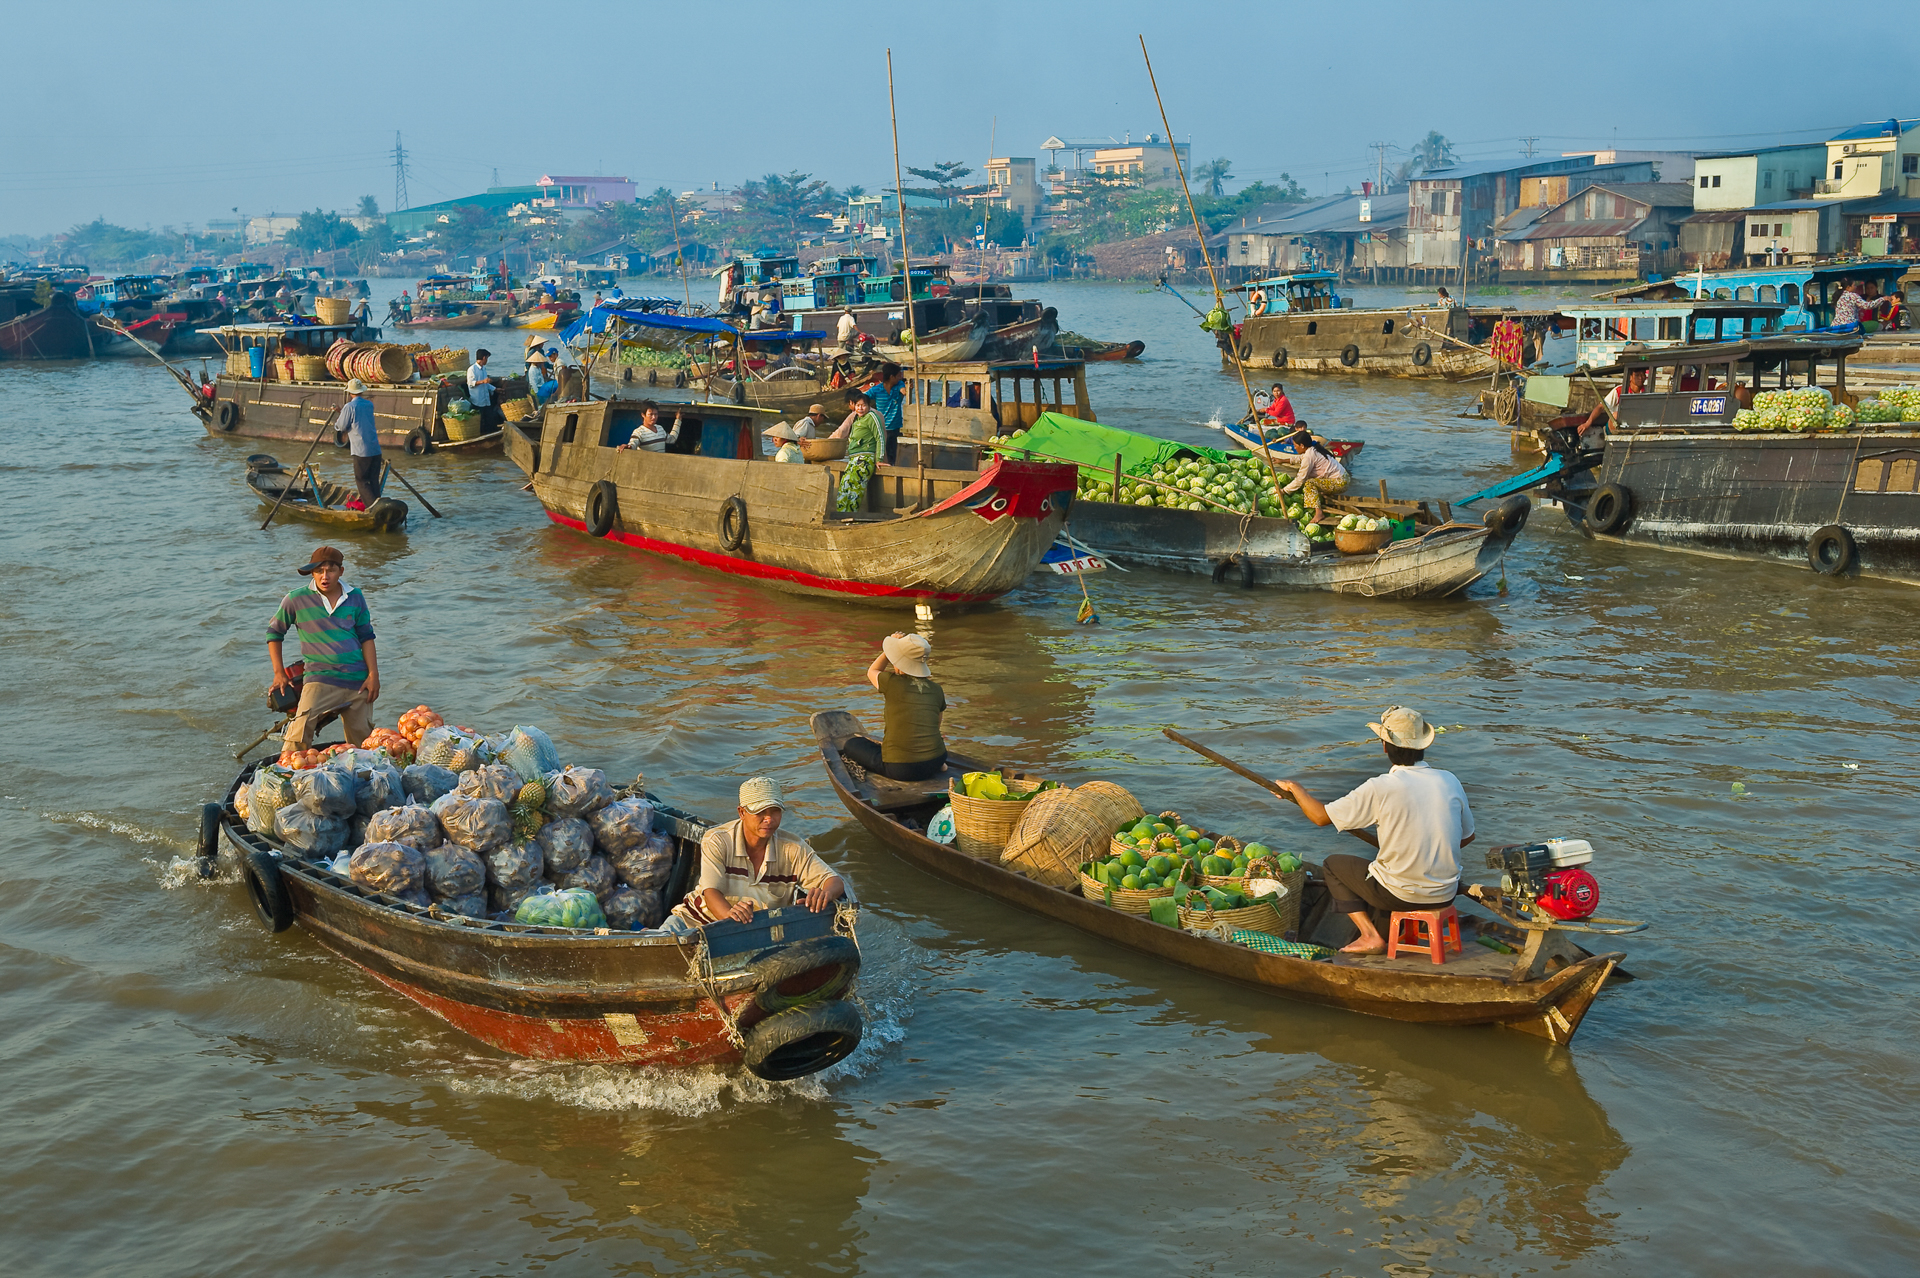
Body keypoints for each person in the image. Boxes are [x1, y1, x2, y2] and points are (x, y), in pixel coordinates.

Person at [1270, 706, 1474, 956]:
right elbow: (1467, 836)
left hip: (1400, 895)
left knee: (1333, 865)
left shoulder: (1381, 787)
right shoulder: (1449, 780)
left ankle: (1370, 935)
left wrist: (1296, 789)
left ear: (1385, 746)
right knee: (1380, 870)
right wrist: (1426, 848)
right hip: (1446, 894)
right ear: (1423, 746)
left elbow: (1321, 817)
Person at [674, 777, 847, 926]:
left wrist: (824, 894)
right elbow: (711, 893)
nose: (769, 819)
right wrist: (730, 916)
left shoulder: (793, 848)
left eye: (775, 811)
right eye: (760, 812)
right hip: (696, 921)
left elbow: (834, 881)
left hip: (757, 930)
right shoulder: (718, 840)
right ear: (742, 813)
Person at [267, 545, 381, 752]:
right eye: (319, 571)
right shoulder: (295, 599)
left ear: (341, 572)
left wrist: (373, 675)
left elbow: (366, 637)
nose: (325, 576)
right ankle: (288, 776)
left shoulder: (355, 597)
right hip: (319, 678)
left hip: (358, 681)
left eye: (331, 570)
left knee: (363, 746)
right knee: (297, 737)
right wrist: (278, 673)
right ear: (312, 573)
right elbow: (274, 634)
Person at [839, 632, 948, 781]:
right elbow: (937, 723)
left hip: (902, 769)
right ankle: (939, 766)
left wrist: (886, 653)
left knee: (852, 744)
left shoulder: (892, 682)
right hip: (937, 759)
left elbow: (872, 671)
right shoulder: (936, 689)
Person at [332, 378, 384, 507]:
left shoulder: (349, 406)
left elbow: (342, 426)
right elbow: (358, 418)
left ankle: (373, 509)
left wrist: (337, 423)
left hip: (361, 451)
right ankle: (379, 505)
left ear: (350, 393)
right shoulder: (369, 404)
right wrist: (341, 411)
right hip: (375, 449)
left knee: (362, 481)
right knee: (373, 481)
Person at [1279, 427, 1349, 520]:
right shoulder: (1313, 449)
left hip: (1340, 482)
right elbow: (1301, 458)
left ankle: (1318, 513)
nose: (1295, 447)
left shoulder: (1309, 455)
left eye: (1296, 445)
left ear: (1302, 446)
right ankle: (1322, 499)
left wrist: (1284, 491)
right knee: (1311, 479)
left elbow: (1300, 479)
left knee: (1309, 483)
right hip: (1344, 478)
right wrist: (1283, 460)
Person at [831, 390, 883, 512]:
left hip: (864, 459)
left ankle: (850, 517)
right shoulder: (856, 418)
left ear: (868, 406)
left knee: (855, 490)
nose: (860, 408)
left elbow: (880, 437)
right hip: (854, 459)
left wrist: (879, 459)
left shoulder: (872, 417)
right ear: (854, 405)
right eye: (858, 405)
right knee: (844, 486)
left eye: (863, 405)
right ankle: (841, 515)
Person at [1576, 366, 1647, 445]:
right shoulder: (1619, 390)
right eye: (1637, 375)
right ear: (1630, 377)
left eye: (1643, 374)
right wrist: (1588, 423)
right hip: (1615, 427)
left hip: (1636, 426)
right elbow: (1601, 407)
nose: (1641, 377)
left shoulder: (1647, 392)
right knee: (1616, 415)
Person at [868, 361, 906, 463]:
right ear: (891, 377)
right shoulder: (876, 390)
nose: (900, 378)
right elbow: (864, 398)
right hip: (882, 427)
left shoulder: (898, 386)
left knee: (893, 454)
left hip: (895, 427)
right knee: (881, 453)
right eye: (898, 376)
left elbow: (903, 386)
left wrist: (904, 389)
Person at [618, 401, 683, 451]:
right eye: (651, 414)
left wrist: (678, 420)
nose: (654, 417)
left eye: (656, 414)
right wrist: (628, 447)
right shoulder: (639, 432)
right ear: (643, 415)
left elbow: (672, 439)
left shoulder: (660, 429)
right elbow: (633, 444)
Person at [466, 348, 501, 430]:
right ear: (484, 358)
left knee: (490, 419)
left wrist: (495, 389)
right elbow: (471, 383)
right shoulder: (472, 369)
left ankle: (491, 432)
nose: (487, 361)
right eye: (487, 358)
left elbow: (486, 384)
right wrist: (483, 381)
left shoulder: (483, 369)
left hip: (485, 399)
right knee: (480, 421)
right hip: (477, 400)